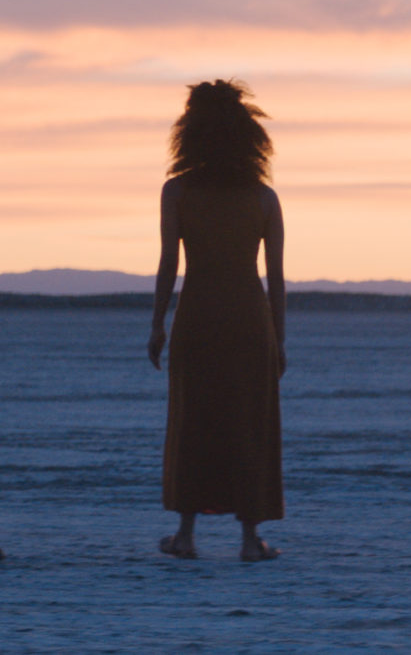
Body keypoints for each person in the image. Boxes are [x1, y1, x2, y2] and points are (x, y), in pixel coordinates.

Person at [147, 79, 287, 562]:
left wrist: (157, 324)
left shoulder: (177, 191)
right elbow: (275, 277)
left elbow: (169, 263)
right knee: (250, 425)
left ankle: (185, 534)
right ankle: (250, 540)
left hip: (198, 316)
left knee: (194, 422)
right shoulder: (263, 198)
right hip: (250, 320)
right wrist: (280, 340)